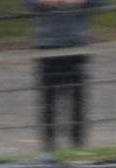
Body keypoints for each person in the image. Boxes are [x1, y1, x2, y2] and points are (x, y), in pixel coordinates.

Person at [26, 0, 97, 152]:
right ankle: (48, 144)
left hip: (76, 44)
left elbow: (98, 3)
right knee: (48, 98)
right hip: (47, 44)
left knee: (78, 97)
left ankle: (78, 143)